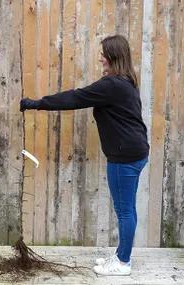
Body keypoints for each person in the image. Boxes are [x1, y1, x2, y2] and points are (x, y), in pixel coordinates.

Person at [19, 34, 149, 276]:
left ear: (113, 56)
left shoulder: (112, 85)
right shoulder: (125, 81)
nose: (100, 57)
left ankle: (123, 263)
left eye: (103, 53)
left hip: (125, 156)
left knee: (125, 211)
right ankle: (122, 255)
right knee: (128, 208)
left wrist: (37, 103)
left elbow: (75, 98)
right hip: (135, 151)